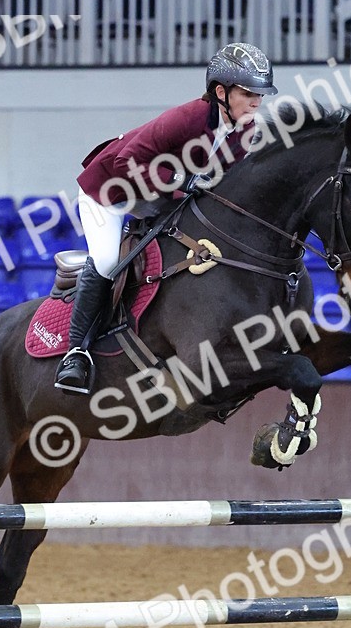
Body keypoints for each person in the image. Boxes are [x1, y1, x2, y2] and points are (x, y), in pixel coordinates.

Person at [54, 42, 278, 394]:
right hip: (110, 192)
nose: (256, 102)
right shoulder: (188, 118)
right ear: (221, 92)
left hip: (157, 199)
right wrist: (177, 184)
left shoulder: (245, 132)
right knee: (109, 259)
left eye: (259, 94)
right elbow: (126, 160)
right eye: (248, 93)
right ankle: (76, 352)